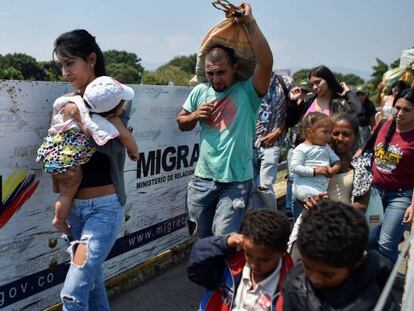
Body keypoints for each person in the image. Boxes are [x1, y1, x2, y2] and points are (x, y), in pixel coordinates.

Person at [52, 29, 133, 310]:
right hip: (75, 214)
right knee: (93, 284)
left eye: (69, 63)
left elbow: (112, 143)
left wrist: (82, 120)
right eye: (61, 65)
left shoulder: (116, 99)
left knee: (72, 291)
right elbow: (59, 151)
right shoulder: (66, 103)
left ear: (91, 59)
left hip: (103, 212)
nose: (65, 72)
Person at [176, 3, 273, 238]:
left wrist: (250, 23)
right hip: (202, 179)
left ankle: (225, 276)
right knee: (200, 238)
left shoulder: (247, 92)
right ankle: (208, 275)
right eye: (210, 73)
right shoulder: (200, 91)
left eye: (221, 72)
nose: (215, 78)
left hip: (235, 182)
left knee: (223, 238)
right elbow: (181, 121)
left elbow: (266, 63)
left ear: (234, 68)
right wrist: (194, 115)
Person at [37, 76, 139, 234]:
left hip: (53, 153)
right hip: (67, 161)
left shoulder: (73, 105)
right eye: (122, 103)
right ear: (115, 109)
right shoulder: (103, 122)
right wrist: (134, 152)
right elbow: (126, 137)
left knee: (63, 187)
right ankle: (59, 219)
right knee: (66, 195)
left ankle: (57, 184)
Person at [281, 201, 399, 311]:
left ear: (357, 262)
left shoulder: (377, 301)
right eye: (307, 267)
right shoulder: (295, 282)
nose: (314, 279)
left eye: (327, 274)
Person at [187, 209, 293, 311]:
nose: (254, 264)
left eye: (264, 260)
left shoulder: (291, 289)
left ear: (283, 252)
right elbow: (195, 267)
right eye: (249, 254)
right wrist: (224, 243)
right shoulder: (231, 266)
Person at [371, 88, 414, 263]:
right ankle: (371, 281)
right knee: (369, 239)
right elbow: (366, 150)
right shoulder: (383, 124)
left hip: (400, 196)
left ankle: (386, 283)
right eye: (398, 107)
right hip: (374, 193)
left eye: (407, 110)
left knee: (386, 242)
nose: (400, 113)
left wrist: (412, 205)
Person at [251, 73, 295, 211]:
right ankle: (259, 221)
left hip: (273, 143)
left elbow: (294, 111)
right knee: (252, 187)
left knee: (264, 185)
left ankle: (273, 217)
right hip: (250, 144)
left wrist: (278, 132)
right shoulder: (248, 80)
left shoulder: (285, 82)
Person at [290, 112, 340, 219]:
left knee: (314, 221)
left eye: (330, 132)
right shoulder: (301, 148)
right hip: (304, 191)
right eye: (325, 132)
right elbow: (294, 167)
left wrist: (333, 170)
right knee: (301, 224)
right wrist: (314, 171)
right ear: (310, 132)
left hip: (319, 190)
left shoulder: (326, 147)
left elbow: (337, 161)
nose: (329, 136)